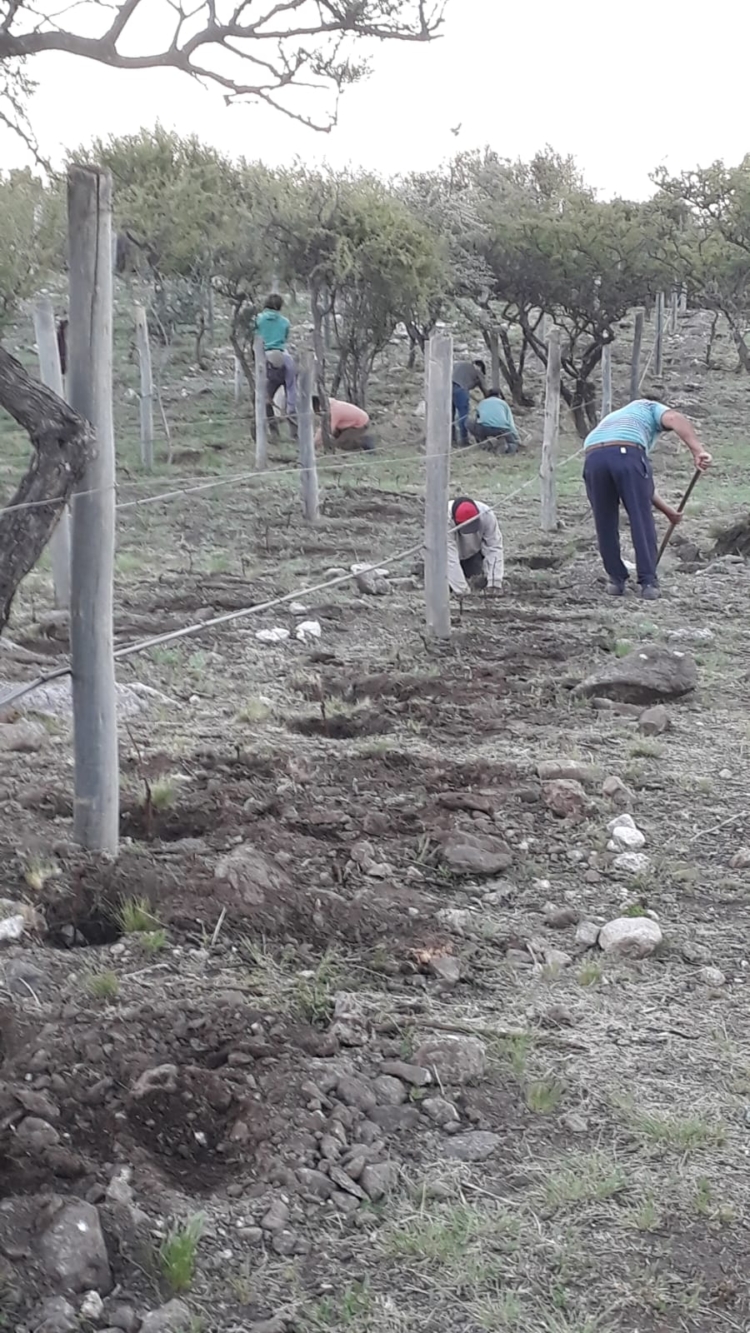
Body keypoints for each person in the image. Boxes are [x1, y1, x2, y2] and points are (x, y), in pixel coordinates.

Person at [583, 397, 712, 600]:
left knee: (604, 521)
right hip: (626, 452)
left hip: (593, 457)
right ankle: (648, 582)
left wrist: (669, 512)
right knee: (640, 519)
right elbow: (675, 418)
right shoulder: (649, 407)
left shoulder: (616, 419)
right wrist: (698, 451)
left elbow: (644, 490)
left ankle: (615, 581)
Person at [255, 295, 297, 435]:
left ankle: (274, 431)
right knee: (291, 391)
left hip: (267, 358)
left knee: (265, 397)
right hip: (285, 357)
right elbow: (285, 338)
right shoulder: (285, 321)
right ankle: (294, 431)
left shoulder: (258, 319)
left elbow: (255, 336)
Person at [447, 497, 504, 596]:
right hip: (444, 556)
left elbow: (494, 547)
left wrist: (494, 582)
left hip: (472, 553)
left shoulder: (486, 515)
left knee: (475, 577)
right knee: (445, 586)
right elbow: (449, 558)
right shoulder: (443, 519)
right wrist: (462, 591)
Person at [452, 359, 487, 446]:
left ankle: (451, 439)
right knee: (463, 416)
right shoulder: (477, 371)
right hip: (460, 389)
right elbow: (485, 389)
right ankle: (464, 441)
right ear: (480, 367)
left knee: (449, 416)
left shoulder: (458, 364)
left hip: (447, 387)